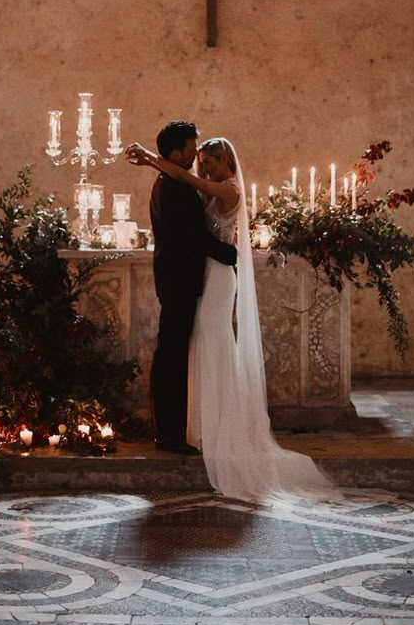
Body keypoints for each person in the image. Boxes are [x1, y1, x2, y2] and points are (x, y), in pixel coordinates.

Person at [126, 134, 341, 504]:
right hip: (204, 273)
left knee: (217, 343)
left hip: (219, 277)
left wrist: (150, 159)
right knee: (205, 346)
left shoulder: (228, 191)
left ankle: (224, 428)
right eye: (200, 158)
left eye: (209, 160)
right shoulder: (206, 189)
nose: (202, 165)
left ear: (226, 162)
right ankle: (202, 424)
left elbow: (190, 184)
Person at [141, 120, 237, 455]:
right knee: (172, 355)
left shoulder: (171, 181)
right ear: (176, 152)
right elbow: (193, 238)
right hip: (179, 278)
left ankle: (171, 430)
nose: (197, 154)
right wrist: (230, 253)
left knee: (174, 352)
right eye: (192, 148)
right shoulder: (174, 187)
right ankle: (169, 435)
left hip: (178, 277)